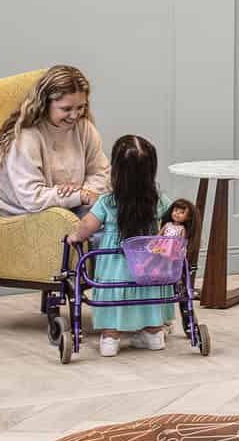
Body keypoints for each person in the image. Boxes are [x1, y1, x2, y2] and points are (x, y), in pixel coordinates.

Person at [66, 133, 172, 358]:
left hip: (115, 268)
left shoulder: (107, 203)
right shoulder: (159, 201)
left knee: (113, 293)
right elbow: (172, 221)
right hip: (148, 267)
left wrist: (75, 236)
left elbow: (87, 226)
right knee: (149, 293)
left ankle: (110, 339)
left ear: (116, 172)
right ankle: (154, 335)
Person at [0, 65, 110, 216]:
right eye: (66, 109)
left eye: (80, 107)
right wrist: (79, 196)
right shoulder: (25, 139)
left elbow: (100, 172)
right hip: (26, 217)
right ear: (45, 103)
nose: (74, 115)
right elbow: (33, 198)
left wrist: (84, 194)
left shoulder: (83, 128)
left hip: (71, 208)